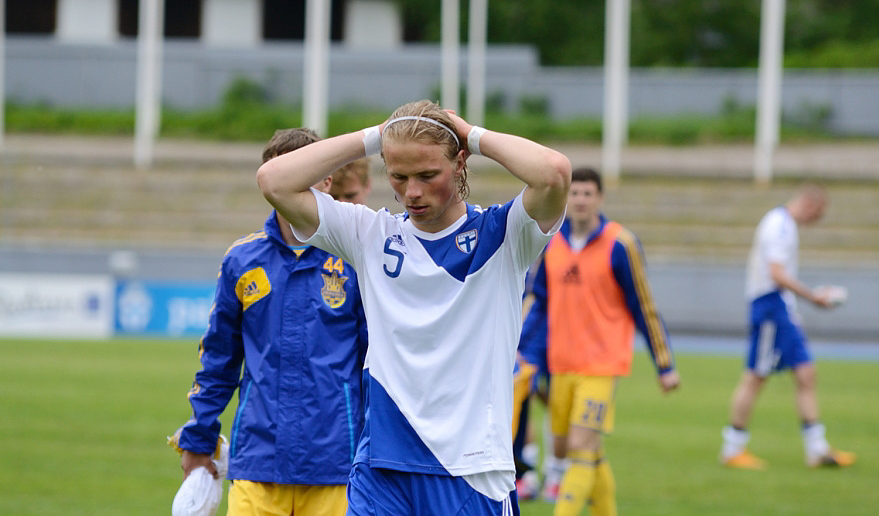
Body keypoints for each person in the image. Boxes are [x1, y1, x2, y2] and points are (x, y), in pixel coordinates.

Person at [257, 99, 571, 515]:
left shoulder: (505, 236)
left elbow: (553, 173)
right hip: (381, 467)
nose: (413, 192)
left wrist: (472, 135)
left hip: (470, 471)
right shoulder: (368, 234)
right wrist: (375, 137)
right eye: (399, 176)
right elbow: (273, 180)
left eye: (427, 174)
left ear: (460, 163)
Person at [171, 128, 369, 516]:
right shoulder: (242, 261)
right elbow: (218, 361)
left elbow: (376, 363)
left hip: (337, 465)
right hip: (257, 463)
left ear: (327, 180)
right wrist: (198, 442)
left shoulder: (355, 258)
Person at [518, 166, 679, 516]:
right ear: (565, 197)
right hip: (560, 363)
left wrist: (664, 364)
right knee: (570, 449)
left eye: (587, 194)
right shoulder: (550, 243)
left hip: (602, 364)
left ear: (600, 199)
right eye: (574, 193)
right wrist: (517, 347)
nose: (580, 200)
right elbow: (537, 302)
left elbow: (644, 306)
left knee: (579, 445)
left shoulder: (621, 244)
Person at [720, 184, 856, 470]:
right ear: (808, 203)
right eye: (817, 213)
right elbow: (776, 273)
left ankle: (817, 448)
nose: (815, 221)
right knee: (756, 376)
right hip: (770, 306)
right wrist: (813, 296)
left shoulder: (783, 224)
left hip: (779, 307)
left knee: (806, 373)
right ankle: (732, 447)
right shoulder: (779, 225)